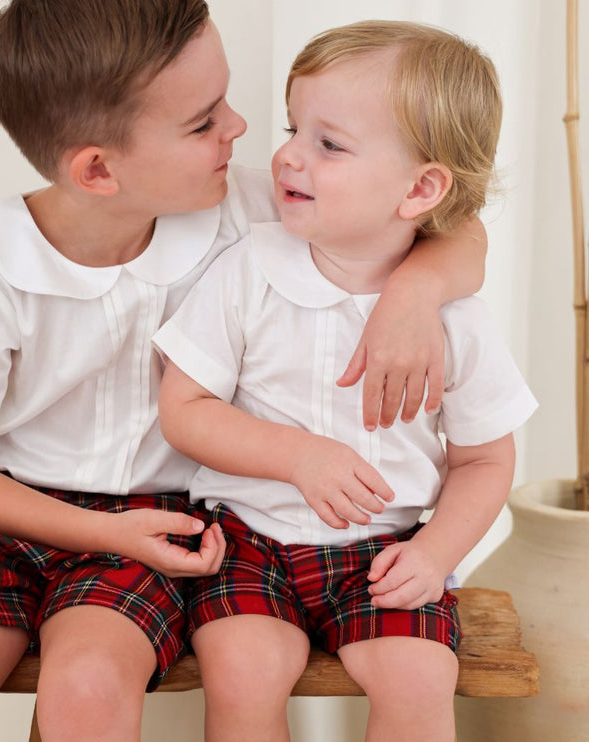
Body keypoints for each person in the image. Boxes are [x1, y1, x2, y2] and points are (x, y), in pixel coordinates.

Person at [0, 3, 487, 741]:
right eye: (203, 122)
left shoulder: (244, 203)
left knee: (88, 690)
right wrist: (99, 531)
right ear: (98, 169)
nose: (240, 128)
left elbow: (453, 222)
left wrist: (416, 293)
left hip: (155, 527)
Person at [156, 19, 538, 742]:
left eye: (328, 144)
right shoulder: (249, 268)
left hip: (385, 550)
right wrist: (296, 456)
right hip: (247, 542)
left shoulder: (454, 316)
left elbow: (486, 459)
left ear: (421, 188)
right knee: (242, 673)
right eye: (293, 127)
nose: (287, 157)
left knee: (422, 681)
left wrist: (435, 555)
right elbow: (184, 407)